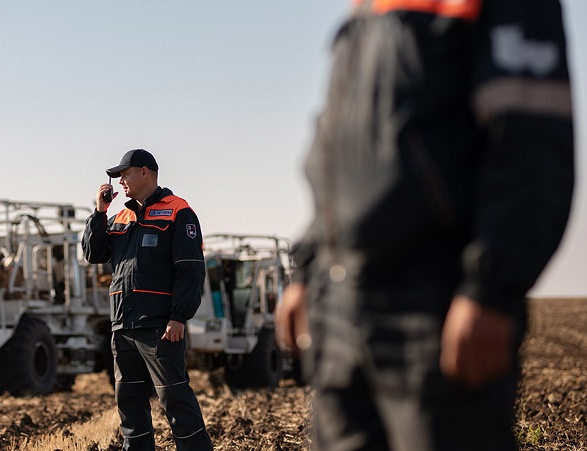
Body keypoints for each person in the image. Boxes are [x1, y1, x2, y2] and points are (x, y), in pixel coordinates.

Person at [275, 1, 574, 450]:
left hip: (433, 308)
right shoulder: (365, 10)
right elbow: (338, 150)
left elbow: (532, 143)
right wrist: (308, 264)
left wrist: (492, 289)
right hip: (338, 302)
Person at [82, 148, 213, 450]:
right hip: (122, 325)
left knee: (174, 398)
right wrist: (99, 212)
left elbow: (191, 269)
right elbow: (93, 253)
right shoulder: (120, 217)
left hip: (160, 326)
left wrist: (178, 316)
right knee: (129, 401)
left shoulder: (178, 211)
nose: (120, 181)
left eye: (125, 174)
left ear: (145, 172)